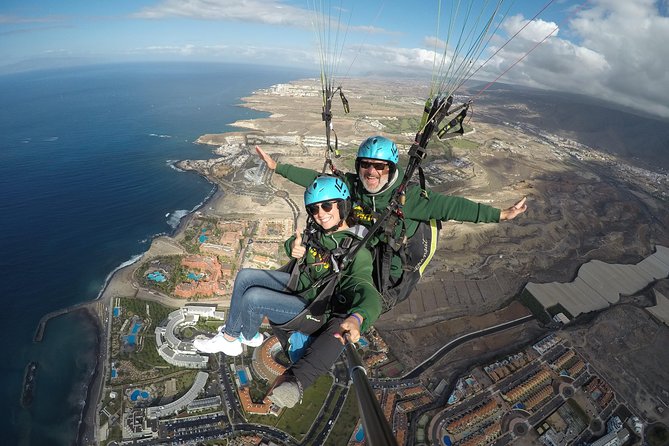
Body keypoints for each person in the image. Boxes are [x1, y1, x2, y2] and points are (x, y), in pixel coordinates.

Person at [256, 135, 527, 310]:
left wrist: (500, 214)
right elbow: (318, 182)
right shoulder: (354, 185)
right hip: (362, 250)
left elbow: (453, 206)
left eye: (379, 166)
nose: (371, 172)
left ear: (391, 168)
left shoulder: (409, 198)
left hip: (388, 264)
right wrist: (278, 168)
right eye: (365, 165)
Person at [193, 175, 382, 408]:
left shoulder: (355, 251)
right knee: (244, 277)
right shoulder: (321, 231)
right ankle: (243, 337)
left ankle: (234, 338)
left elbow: (368, 291)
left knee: (253, 299)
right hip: (300, 288)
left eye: (326, 206)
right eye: (314, 209)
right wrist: (292, 246)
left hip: (314, 310)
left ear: (342, 205)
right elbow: (302, 250)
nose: (320, 213)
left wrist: (358, 317)